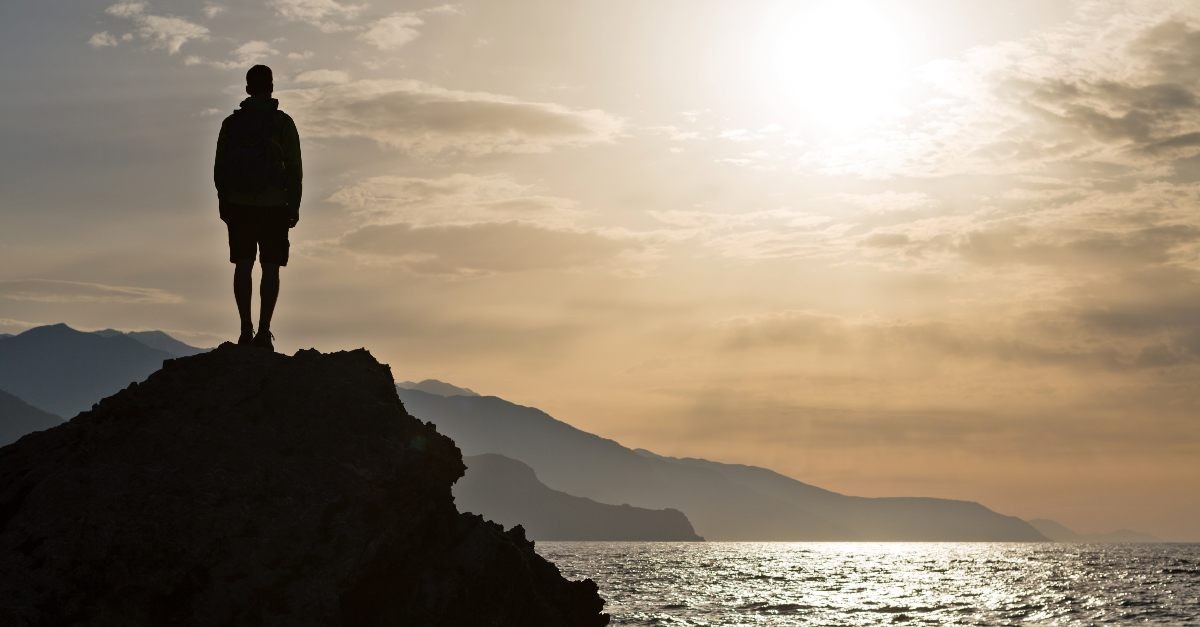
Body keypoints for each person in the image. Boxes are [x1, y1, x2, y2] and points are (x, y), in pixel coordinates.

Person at [213, 64, 302, 351]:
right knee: (271, 267)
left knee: (242, 265)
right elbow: (295, 170)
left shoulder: (232, 124)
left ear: (248, 88)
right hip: (275, 204)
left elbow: (220, 168)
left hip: (239, 204)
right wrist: (294, 205)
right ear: (272, 87)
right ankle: (264, 332)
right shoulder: (283, 124)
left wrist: (224, 201)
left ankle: (244, 330)